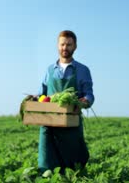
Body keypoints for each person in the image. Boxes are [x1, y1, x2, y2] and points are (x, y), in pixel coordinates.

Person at [36, 30, 94, 176]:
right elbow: (41, 94)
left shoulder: (82, 70)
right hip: (49, 124)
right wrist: (34, 98)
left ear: (75, 47)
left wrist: (83, 102)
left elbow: (89, 94)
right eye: (62, 44)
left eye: (69, 44)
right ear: (57, 46)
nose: (65, 48)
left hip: (71, 123)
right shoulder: (50, 70)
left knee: (73, 166)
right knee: (48, 165)